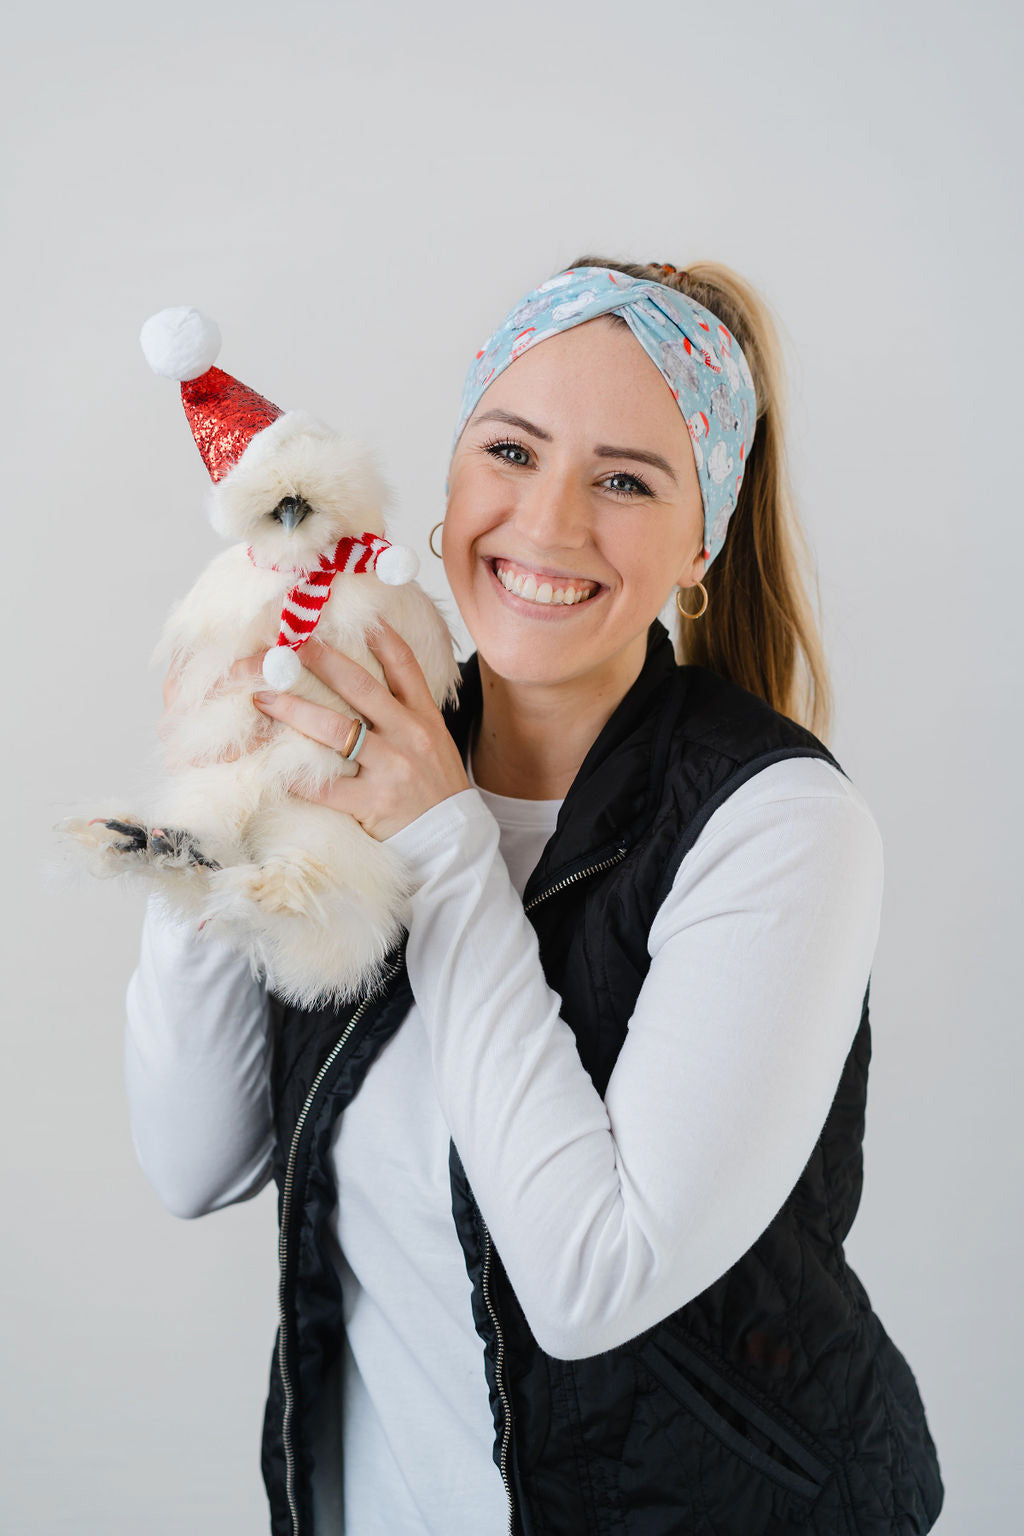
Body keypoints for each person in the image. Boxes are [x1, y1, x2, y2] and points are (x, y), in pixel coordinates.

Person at [125, 257, 945, 1536]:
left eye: (626, 479)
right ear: (446, 495)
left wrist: (446, 840)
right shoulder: (363, 750)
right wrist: (215, 805)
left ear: (701, 543)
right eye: (511, 450)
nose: (551, 521)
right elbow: (195, 1160)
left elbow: (587, 1283)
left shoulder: (778, 826)